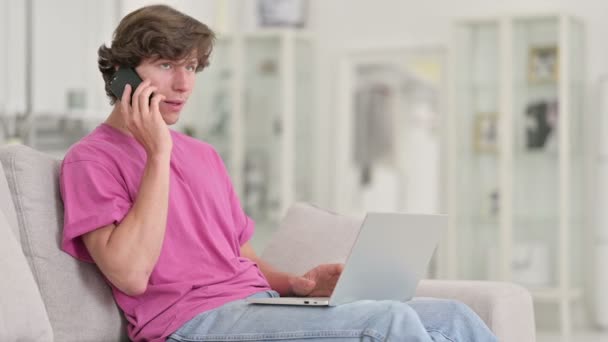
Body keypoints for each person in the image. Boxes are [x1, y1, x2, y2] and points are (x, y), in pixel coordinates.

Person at [60, 5, 497, 342]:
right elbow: (131, 275)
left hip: (256, 305)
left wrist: (298, 283)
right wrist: (157, 156)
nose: (184, 84)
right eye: (166, 65)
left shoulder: (203, 155)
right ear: (122, 76)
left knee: (456, 316)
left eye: (191, 67)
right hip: (190, 324)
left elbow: (239, 255)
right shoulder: (91, 161)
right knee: (390, 322)